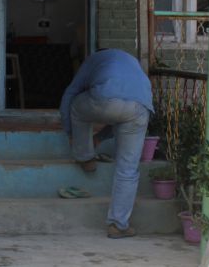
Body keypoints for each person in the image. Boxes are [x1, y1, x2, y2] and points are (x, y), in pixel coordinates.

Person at [59, 48, 153, 239]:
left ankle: (85, 157)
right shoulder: (132, 63)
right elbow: (123, 115)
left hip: (105, 99)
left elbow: (69, 95)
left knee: (76, 106)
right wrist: (100, 138)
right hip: (141, 109)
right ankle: (119, 225)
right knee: (128, 169)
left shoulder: (93, 60)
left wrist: (71, 133)